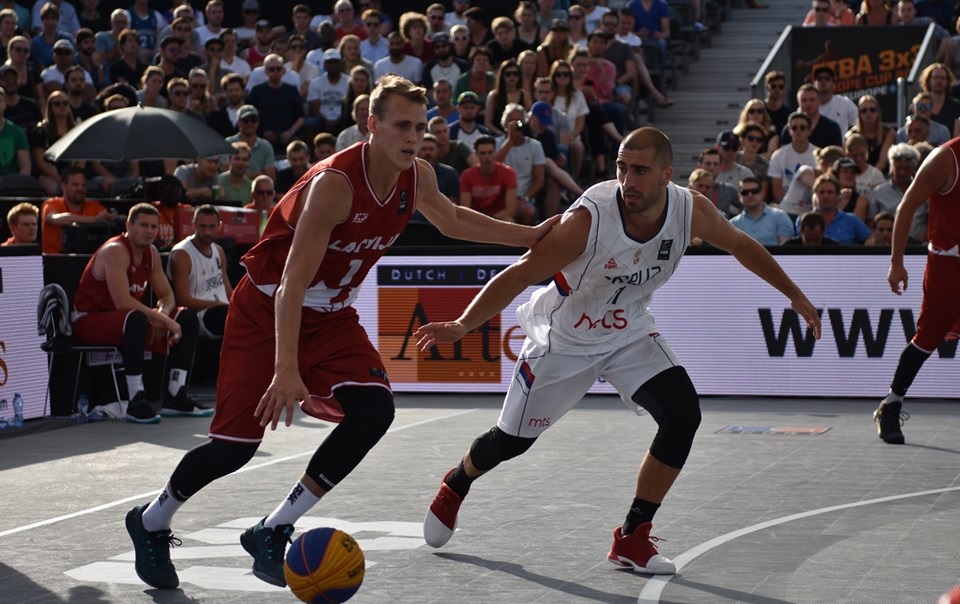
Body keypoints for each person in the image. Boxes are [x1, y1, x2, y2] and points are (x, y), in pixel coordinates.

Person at [123, 75, 560, 591]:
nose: (413, 138)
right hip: (268, 310)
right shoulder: (335, 185)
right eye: (401, 126)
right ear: (371, 125)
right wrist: (286, 370)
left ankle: (275, 525)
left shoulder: (416, 176)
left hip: (330, 315)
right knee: (235, 447)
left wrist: (530, 235)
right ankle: (151, 521)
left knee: (374, 410)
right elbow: (291, 284)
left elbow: (453, 220)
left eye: (420, 128)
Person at [417, 126, 821, 575]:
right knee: (510, 443)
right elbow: (519, 274)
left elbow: (742, 246)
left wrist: (794, 294)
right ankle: (457, 482)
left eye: (642, 170)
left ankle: (632, 535)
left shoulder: (691, 211)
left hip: (628, 332)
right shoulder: (588, 220)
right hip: (565, 339)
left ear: (668, 174)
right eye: (622, 168)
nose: (629, 180)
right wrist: (462, 324)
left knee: (683, 413)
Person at [72, 202, 207, 423]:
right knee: (135, 318)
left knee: (186, 316)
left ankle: (175, 393)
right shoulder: (115, 250)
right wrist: (163, 320)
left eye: (153, 227)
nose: (149, 231)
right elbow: (123, 301)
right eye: (143, 225)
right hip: (89, 319)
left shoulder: (151, 252)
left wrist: (163, 316)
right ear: (129, 225)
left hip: (124, 319)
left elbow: (167, 296)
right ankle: (136, 398)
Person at [874, 134, 960, 445]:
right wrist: (896, 262)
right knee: (926, 339)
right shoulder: (945, 157)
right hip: (949, 265)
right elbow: (907, 205)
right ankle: (892, 404)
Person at [167, 204, 232, 339]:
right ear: (193, 225)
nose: (207, 232)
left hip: (224, 309)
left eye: (212, 226)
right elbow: (182, 300)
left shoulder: (219, 250)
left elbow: (227, 290)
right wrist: (220, 304)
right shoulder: (181, 254)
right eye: (203, 226)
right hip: (201, 315)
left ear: (219, 226)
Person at [41, 167, 116, 254]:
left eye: (83, 185)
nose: (80, 188)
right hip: (53, 261)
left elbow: (109, 216)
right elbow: (55, 219)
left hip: (86, 260)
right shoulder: (52, 203)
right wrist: (95, 219)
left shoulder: (93, 205)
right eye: (75, 185)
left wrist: (112, 216)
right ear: (63, 186)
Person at [730, 176, 795, 245]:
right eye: (745, 192)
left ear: (762, 193)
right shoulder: (733, 224)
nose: (750, 195)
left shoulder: (780, 216)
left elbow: (786, 250)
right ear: (740, 196)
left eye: (754, 191)